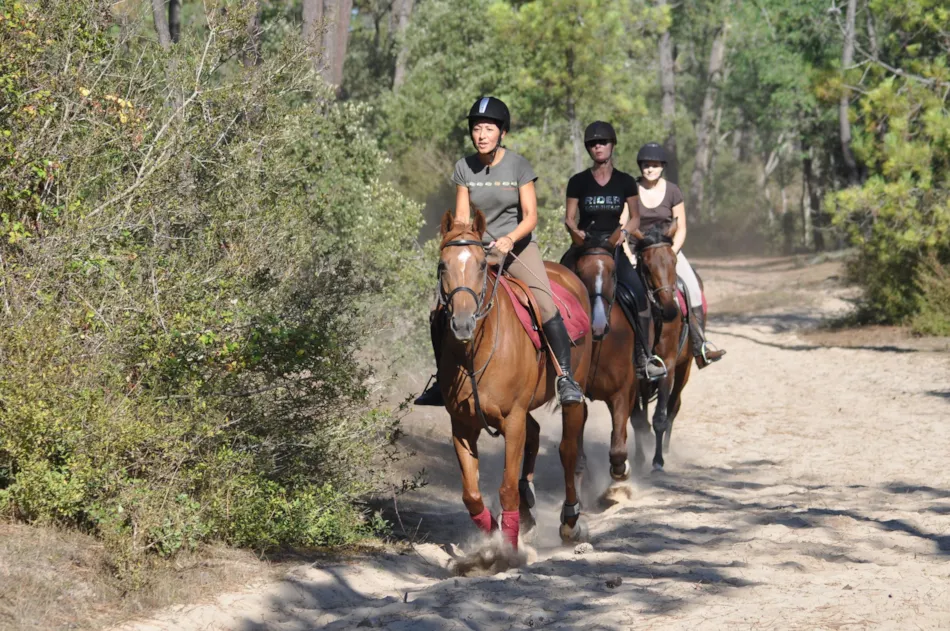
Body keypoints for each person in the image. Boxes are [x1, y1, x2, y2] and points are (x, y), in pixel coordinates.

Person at [414, 96, 585, 406]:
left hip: (518, 249)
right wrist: (463, 244)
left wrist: (509, 239)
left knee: (545, 305)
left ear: (502, 132)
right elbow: (463, 217)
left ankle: (564, 378)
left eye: (489, 129)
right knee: (440, 309)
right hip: (480, 252)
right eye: (477, 129)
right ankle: (442, 379)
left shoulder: (518, 165)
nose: (481, 135)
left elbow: (531, 215)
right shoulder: (464, 167)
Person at [563, 121, 668, 381]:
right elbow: (569, 217)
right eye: (593, 144)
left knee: (639, 294)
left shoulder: (624, 182)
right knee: (554, 291)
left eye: (603, 142)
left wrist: (622, 234)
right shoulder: (578, 181)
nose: (598, 146)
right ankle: (557, 359)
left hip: (613, 248)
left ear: (612, 146)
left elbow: (635, 217)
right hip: (584, 248)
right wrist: (575, 233)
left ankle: (644, 356)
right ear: (588, 148)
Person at [633, 142, 726, 369]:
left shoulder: (673, 191)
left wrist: (671, 254)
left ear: (662, 167)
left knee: (692, 288)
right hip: (638, 252)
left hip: (668, 252)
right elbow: (623, 223)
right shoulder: (631, 189)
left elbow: (681, 227)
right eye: (646, 165)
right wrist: (629, 254)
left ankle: (700, 346)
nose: (649, 169)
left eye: (654, 165)